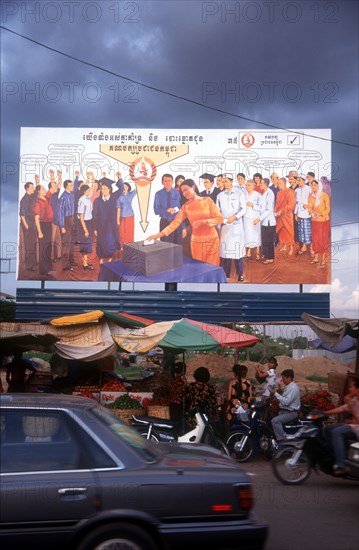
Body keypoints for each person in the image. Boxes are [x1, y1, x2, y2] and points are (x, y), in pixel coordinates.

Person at [147, 179, 223, 266]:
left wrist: (203, 221)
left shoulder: (208, 201)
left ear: (193, 187)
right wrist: (157, 235)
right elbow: (175, 224)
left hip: (212, 241)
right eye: (182, 191)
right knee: (199, 269)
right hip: (196, 242)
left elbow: (219, 219)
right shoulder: (185, 207)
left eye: (186, 189)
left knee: (212, 268)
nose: (184, 193)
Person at [324, 378, 359, 475]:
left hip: (357, 428)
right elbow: (341, 408)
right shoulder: (354, 401)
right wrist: (323, 413)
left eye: (351, 387)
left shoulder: (354, 402)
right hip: (354, 426)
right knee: (328, 429)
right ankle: (335, 455)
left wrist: (353, 420)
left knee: (336, 432)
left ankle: (341, 464)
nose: (349, 389)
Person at [217, 173, 247, 281]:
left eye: (226, 181)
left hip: (236, 226)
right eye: (223, 181)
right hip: (225, 227)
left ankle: (240, 274)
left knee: (237, 251)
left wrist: (235, 217)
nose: (224, 183)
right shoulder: (220, 196)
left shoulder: (240, 194)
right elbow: (217, 211)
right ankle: (227, 275)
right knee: (226, 252)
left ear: (231, 181)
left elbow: (244, 209)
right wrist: (221, 221)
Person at [270, 369, 301, 444]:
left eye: (284, 378)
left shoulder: (293, 388)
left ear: (289, 378)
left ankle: (283, 441)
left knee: (275, 421)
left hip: (291, 413)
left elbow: (286, 402)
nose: (283, 380)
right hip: (284, 411)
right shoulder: (288, 387)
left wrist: (275, 393)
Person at [153, 173, 183, 245]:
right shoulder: (158, 194)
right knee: (165, 245)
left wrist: (184, 226)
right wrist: (166, 210)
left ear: (172, 182)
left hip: (176, 222)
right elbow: (156, 210)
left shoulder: (178, 193)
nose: (167, 183)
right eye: (165, 181)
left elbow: (181, 209)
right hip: (165, 222)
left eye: (169, 181)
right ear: (162, 182)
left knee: (178, 245)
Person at [308, 179, 331, 269]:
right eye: (312, 185)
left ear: (319, 186)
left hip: (323, 221)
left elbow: (328, 209)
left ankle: (323, 260)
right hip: (315, 221)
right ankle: (317, 258)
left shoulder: (324, 195)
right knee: (315, 240)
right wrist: (312, 212)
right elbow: (309, 208)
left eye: (315, 185)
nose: (313, 187)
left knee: (323, 240)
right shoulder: (311, 196)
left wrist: (320, 213)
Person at [253, 178, 276, 264]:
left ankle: (270, 258)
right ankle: (267, 256)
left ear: (266, 184)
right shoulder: (263, 194)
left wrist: (259, 218)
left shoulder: (269, 193)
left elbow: (268, 210)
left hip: (269, 222)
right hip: (264, 221)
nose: (260, 185)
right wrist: (253, 206)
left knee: (269, 241)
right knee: (265, 240)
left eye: (262, 183)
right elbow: (261, 208)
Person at [34, 183, 54, 278]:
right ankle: (44, 270)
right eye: (43, 189)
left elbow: (53, 189)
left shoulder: (46, 198)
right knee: (43, 248)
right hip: (42, 226)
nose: (45, 190)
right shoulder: (38, 202)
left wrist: (55, 177)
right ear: (39, 191)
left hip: (48, 225)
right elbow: (36, 218)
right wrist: (39, 232)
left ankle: (49, 267)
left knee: (48, 246)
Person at [274, 177, 296, 256]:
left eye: (280, 183)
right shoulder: (279, 193)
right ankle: (284, 245)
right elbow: (277, 204)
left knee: (288, 231)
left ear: (284, 183)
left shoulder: (290, 192)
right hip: (279, 216)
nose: (279, 185)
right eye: (278, 183)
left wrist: (282, 210)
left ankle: (291, 248)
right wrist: (275, 210)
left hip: (287, 215)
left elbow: (291, 205)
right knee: (281, 231)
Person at [19, 180, 37, 272]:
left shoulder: (32, 197)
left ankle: (32, 264)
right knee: (29, 245)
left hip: (33, 226)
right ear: (27, 188)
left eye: (33, 187)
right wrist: (26, 226)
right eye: (31, 187)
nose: (33, 189)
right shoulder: (24, 200)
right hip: (28, 226)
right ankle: (29, 266)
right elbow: (22, 215)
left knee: (33, 245)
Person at [243, 179, 261, 260]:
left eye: (249, 185)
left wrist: (253, 205)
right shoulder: (244, 195)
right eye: (246, 185)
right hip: (246, 218)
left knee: (256, 236)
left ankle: (257, 253)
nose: (247, 187)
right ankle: (248, 252)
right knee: (247, 235)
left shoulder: (258, 195)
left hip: (255, 217)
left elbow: (261, 207)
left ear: (253, 186)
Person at [77, 184, 94, 270]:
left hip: (89, 222)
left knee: (88, 244)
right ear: (84, 191)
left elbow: (93, 188)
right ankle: (85, 264)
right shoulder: (82, 201)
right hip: (84, 223)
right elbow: (81, 217)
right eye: (87, 190)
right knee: (85, 244)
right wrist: (85, 230)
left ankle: (85, 262)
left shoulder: (87, 198)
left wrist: (91, 179)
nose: (89, 191)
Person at [294, 175, 312, 255]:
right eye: (297, 180)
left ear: (304, 180)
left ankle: (311, 248)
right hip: (300, 213)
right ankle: (304, 247)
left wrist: (308, 206)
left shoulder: (309, 189)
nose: (298, 182)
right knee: (301, 231)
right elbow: (296, 203)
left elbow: (313, 200)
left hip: (307, 213)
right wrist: (296, 213)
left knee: (307, 230)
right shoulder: (297, 190)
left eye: (299, 180)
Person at [116, 182, 137, 247]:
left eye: (126, 186)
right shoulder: (119, 197)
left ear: (128, 188)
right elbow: (118, 209)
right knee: (122, 233)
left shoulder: (131, 194)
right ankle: (122, 247)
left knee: (129, 232)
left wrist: (137, 181)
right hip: (122, 217)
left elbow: (138, 189)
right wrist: (117, 220)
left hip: (130, 216)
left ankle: (130, 246)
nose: (124, 188)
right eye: (123, 186)